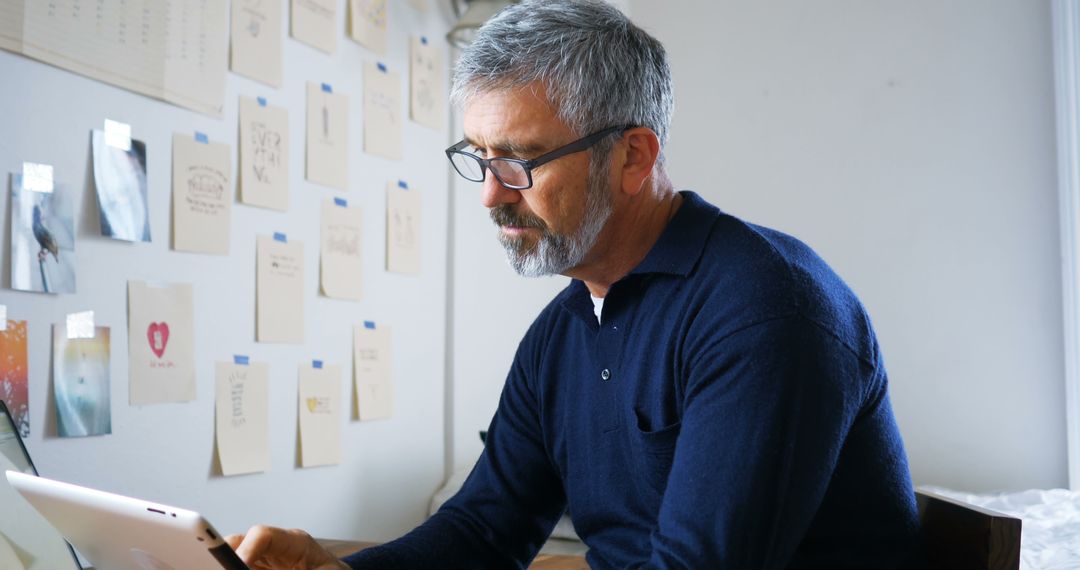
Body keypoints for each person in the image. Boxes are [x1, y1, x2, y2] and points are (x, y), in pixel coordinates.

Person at [228, 1, 922, 568]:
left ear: (632, 155)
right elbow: (484, 530)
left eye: (523, 161)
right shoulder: (563, 332)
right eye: (481, 159)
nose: (490, 196)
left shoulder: (766, 311)